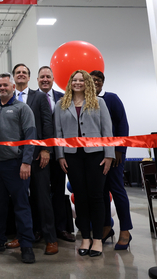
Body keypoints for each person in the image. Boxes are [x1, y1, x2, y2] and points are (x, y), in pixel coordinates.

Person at [0, 73, 37, 264]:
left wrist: (26, 162)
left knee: (21, 206)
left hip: (16, 165)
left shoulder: (22, 108)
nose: (2, 88)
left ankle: (26, 246)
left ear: (12, 86)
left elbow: (30, 136)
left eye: (5, 85)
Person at [54, 70, 114, 257]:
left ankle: (97, 239)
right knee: (80, 197)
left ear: (87, 83)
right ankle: (85, 238)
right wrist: (60, 156)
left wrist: (109, 155)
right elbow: (58, 133)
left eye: (81, 80)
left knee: (96, 197)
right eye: (75, 80)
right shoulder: (61, 104)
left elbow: (107, 130)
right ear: (70, 82)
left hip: (96, 155)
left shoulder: (99, 102)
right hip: (72, 156)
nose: (78, 83)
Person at [10, 64, 58, 255]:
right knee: (19, 199)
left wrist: (46, 149)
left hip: (38, 156)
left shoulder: (39, 97)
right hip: (14, 157)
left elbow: (47, 123)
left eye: (24, 72)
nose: (21, 75)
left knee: (42, 197)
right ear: (14, 77)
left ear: (29, 78)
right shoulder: (8, 97)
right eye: (18, 72)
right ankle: (23, 236)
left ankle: (50, 239)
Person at [90, 70, 132, 250]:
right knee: (101, 192)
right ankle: (106, 226)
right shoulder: (86, 102)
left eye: (98, 80)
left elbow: (122, 124)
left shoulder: (111, 98)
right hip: (95, 155)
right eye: (92, 80)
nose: (95, 82)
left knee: (117, 190)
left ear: (102, 83)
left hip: (114, 155)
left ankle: (125, 230)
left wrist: (119, 150)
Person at [37, 66, 76, 243]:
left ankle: (61, 228)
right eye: (42, 77)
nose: (45, 79)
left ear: (53, 79)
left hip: (60, 152)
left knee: (59, 192)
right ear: (37, 79)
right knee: (40, 193)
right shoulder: (32, 98)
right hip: (40, 154)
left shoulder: (64, 98)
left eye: (48, 76)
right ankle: (39, 229)